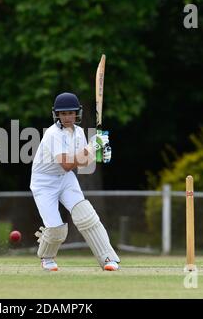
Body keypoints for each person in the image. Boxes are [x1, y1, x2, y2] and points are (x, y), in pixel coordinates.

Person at [30, 92, 120, 271]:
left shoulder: (78, 133)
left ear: (76, 113)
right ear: (57, 114)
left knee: (86, 215)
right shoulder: (53, 134)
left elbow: (83, 162)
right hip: (44, 183)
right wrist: (92, 147)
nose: (67, 117)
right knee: (56, 229)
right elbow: (67, 163)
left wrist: (98, 152)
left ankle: (108, 258)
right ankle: (47, 258)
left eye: (70, 113)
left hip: (65, 179)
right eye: (63, 114)